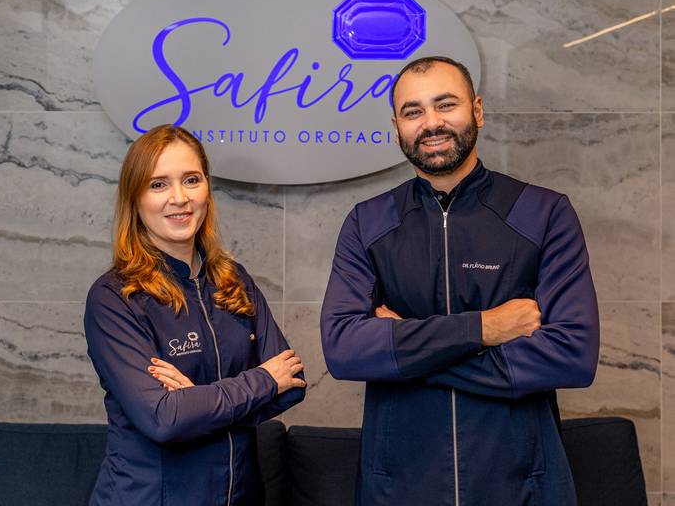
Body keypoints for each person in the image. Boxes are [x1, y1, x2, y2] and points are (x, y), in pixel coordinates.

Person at [320, 56, 599, 506]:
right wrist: (485, 328)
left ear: (478, 110)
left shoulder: (544, 213)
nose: (431, 123)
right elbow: (344, 349)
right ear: (396, 126)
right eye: (413, 111)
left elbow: (572, 355)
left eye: (445, 105)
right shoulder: (367, 223)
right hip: (399, 487)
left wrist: (405, 348)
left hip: (523, 485)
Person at [84, 124, 306, 506]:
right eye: (158, 184)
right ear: (135, 198)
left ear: (206, 188)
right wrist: (261, 382)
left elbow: (293, 383)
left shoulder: (234, 280)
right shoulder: (114, 298)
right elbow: (164, 420)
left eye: (191, 180)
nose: (179, 198)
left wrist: (197, 403)